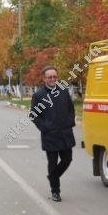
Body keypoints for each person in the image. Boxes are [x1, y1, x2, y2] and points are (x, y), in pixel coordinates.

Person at [30, 66, 76, 202]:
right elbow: (34, 115)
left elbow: (71, 109)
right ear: (44, 79)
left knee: (67, 159)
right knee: (52, 162)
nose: (53, 79)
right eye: (50, 77)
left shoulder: (63, 90)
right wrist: (45, 127)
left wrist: (70, 121)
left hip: (65, 133)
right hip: (50, 135)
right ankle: (55, 191)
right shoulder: (38, 95)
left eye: (55, 77)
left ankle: (52, 176)